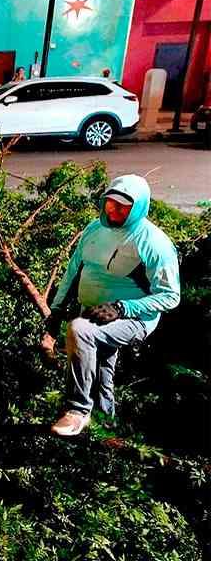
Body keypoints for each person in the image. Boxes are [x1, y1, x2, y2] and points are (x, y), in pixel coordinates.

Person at [46, 175, 180, 436]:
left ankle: (77, 411)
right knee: (100, 369)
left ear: (138, 208)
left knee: (80, 331)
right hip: (94, 312)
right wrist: (57, 309)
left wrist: (121, 308)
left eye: (123, 206)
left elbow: (170, 296)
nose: (114, 210)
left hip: (134, 318)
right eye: (110, 203)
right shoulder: (94, 229)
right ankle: (105, 427)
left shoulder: (154, 243)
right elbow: (74, 270)